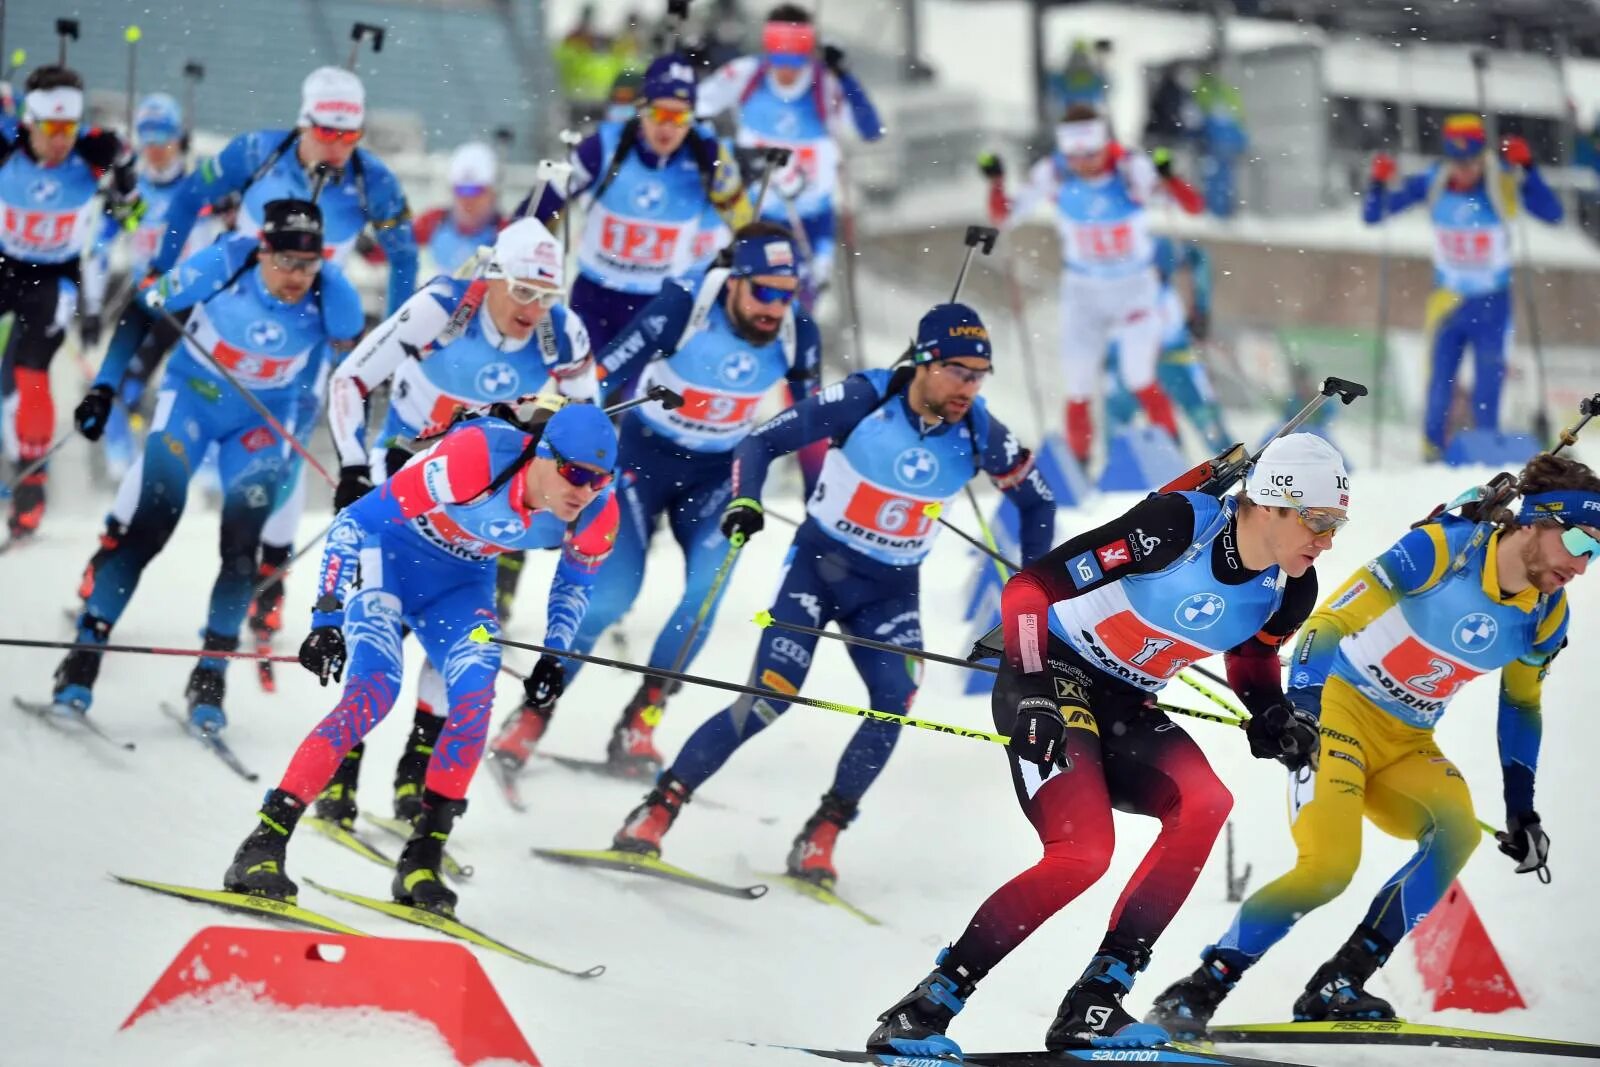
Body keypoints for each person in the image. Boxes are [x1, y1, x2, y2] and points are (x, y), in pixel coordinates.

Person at [867, 433, 1349, 1056]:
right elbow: (1028, 592)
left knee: (1207, 801)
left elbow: (1253, 659)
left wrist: (1272, 712)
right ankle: (928, 1006)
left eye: (1336, 523)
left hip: (1126, 705)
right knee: (1083, 853)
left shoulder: (1291, 587)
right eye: (1317, 520)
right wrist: (1037, 690)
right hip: (1050, 675)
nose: (1328, 538)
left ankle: (1096, 1001)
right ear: (1270, 503)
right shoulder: (1176, 527)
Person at [606, 303, 1056, 888]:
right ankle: (659, 807)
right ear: (922, 361)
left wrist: (1031, 584)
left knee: (895, 699)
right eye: (957, 371)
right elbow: (759, 444)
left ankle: (823, 831)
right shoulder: (862, 400)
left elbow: (1039, 501)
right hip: (818, 570)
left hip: (890, 590)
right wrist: (746, 500)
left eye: (979, 375)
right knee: (769, 698)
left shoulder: (981, 432)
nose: (969, 387)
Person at [1147, 451, 1591, 1032]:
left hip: (1407, 740)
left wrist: (1522, 809)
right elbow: (1328, 624)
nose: (1585, 567)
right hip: (1337, 714)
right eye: (1582, 544)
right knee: (1329, 867)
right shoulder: (1444, 550)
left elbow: (1522, 705)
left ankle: (1341, 981)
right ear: (1536, 521)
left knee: (1455, 833)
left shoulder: (1546, 615)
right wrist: (1302, 708)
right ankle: (1200, 989)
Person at [222, 402, 621, 916]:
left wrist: (554, 653)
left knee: (477, 692)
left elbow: (574, 583)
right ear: (544, 454)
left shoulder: (596, 509)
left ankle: (422, 859)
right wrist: (326, 621)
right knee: (373, 694)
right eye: (576, 474)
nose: (586, 490)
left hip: (462, 584)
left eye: (599, 479)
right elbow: (353, 523)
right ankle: (264, 843)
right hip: (389, 558)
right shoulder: (476, 457)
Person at [488, 221, 821, 778]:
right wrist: (555, 432)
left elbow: (809, 423)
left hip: (718, 475)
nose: (775, 307)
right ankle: (533, 713)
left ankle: (640, 721)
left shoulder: (796, 332)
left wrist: (816, 500)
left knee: (703, 599)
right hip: (644, 460)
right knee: (609, 598)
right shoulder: (684, 304)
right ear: (733, 280)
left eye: (786, 294)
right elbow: (600, 372)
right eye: (763, 291)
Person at [314, 217, 598, 825]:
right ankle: (343, 769)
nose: (533, 309)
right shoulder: (442, 307)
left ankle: (415, 774)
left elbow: (593, 426)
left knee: (463, 634)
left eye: (546, 296)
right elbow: (350, 378)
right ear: (494, 276)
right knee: (382, 626)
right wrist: (354, 467)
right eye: (523, 291)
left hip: (498, 495)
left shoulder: (562, 335)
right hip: (411, 473)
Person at [51, 200, 364, 730]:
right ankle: (82, 657)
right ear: (263, 249)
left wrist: (351, 458)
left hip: (263, 422)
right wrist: (105, 387)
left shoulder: (332, 294)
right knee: (149, 528)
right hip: (191, 406)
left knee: (242, 548)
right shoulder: (223, 264)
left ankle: (210, 677)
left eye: (307, 265)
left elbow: (351, 368)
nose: (296, 277)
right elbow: (140, 309)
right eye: (285, 261)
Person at [145, 66, 418, 659]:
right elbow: (192, 194)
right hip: (232, 297)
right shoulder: (258, 152)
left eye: (352, 135)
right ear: (305, 122)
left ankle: (271, 572)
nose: (339, 146)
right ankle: (116, 540)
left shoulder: (375, 182)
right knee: (170, 421)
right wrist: (160, 267)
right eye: (328, 132)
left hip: (310, 320)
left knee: (288, 443)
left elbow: (403, 256)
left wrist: (397, 335)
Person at [984, 105, 1203, 468]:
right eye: (1075, 155)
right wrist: (995, 182)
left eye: (1091, 154)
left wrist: (1170, 177)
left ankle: (1174, 458)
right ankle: (1079, 468)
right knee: (1079, 384)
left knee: (1139, 376)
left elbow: (1192, 207)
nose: (1083, 163)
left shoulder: (1130, 168)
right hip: (1083, 290)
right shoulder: (1054, 173)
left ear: (1105, 145)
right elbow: (1003, 215)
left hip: (1133, 286)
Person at [518, 53, 752, 355]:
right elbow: (544, 201)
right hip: (595, 295)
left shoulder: (707, 154)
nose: (668, 127)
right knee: (579, 393)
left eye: (680, 117)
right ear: (641, 108)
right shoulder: (605, 145)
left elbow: (745, 224)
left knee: (638, 399)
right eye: (660, 114)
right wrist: (515, 247)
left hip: (661, 302)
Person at [1363, 114, 1562, 459]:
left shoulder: (1500, 184)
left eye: (1470, 161)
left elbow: (1552, 213)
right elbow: (1374, 215)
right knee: (1440, 385)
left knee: (1488, 387)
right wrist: (1378, 183)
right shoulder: (1433, 181)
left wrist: (1528, 168)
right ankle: (1432, 454)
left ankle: (1485, 454)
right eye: (1457, 161)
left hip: (1492, 303)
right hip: (1448, 302)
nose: (1464, 170)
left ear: (1481, 156)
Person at [0, 64, 140, 540]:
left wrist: (124, 190)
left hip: (55, 275)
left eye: (69, 127)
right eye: (51, 127)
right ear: (30, 121)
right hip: (4, 263)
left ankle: (30, 484)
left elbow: (130, 200)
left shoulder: (94, 152)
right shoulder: (7, 144)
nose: (61, 139)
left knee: (31, 369)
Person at [697, 4, 884, 308]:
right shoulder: (747, 74)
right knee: (742, 300)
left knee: (798, 306)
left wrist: (846, 77)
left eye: (796, 55)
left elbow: (871, 130)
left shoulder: (825, 84)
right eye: (779, 53)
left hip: (810, 220)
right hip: (753, 213)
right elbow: (691, 109)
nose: (786, 69)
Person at [81, 93, 199, 479]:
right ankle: (124, 475)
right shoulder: (133, 194)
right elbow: (99, 249)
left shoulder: (201, 190)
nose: (156, 150)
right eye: (147, 141)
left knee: (204, 390)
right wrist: (93, 308)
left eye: (164, 139)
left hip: (195, 304)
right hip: (147, 302)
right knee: (117, 391)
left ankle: (210, 481)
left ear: (179, 138)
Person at [1104, 236, 1231, 452]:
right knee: (1119, 428)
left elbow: (1198, 257)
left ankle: (1237, 468)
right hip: (1134, 367)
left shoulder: (1154, 253)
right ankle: (1158, 465)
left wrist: (1200, 310)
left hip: (1174, 363)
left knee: (1209, 425)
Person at [413, 142, 507, 277]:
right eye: (461, 190)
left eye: (476, 191)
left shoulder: (507, 231)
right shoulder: (435, 220)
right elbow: (393, 246)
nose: (467, 200)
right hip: (442, 295)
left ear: (492, 193)